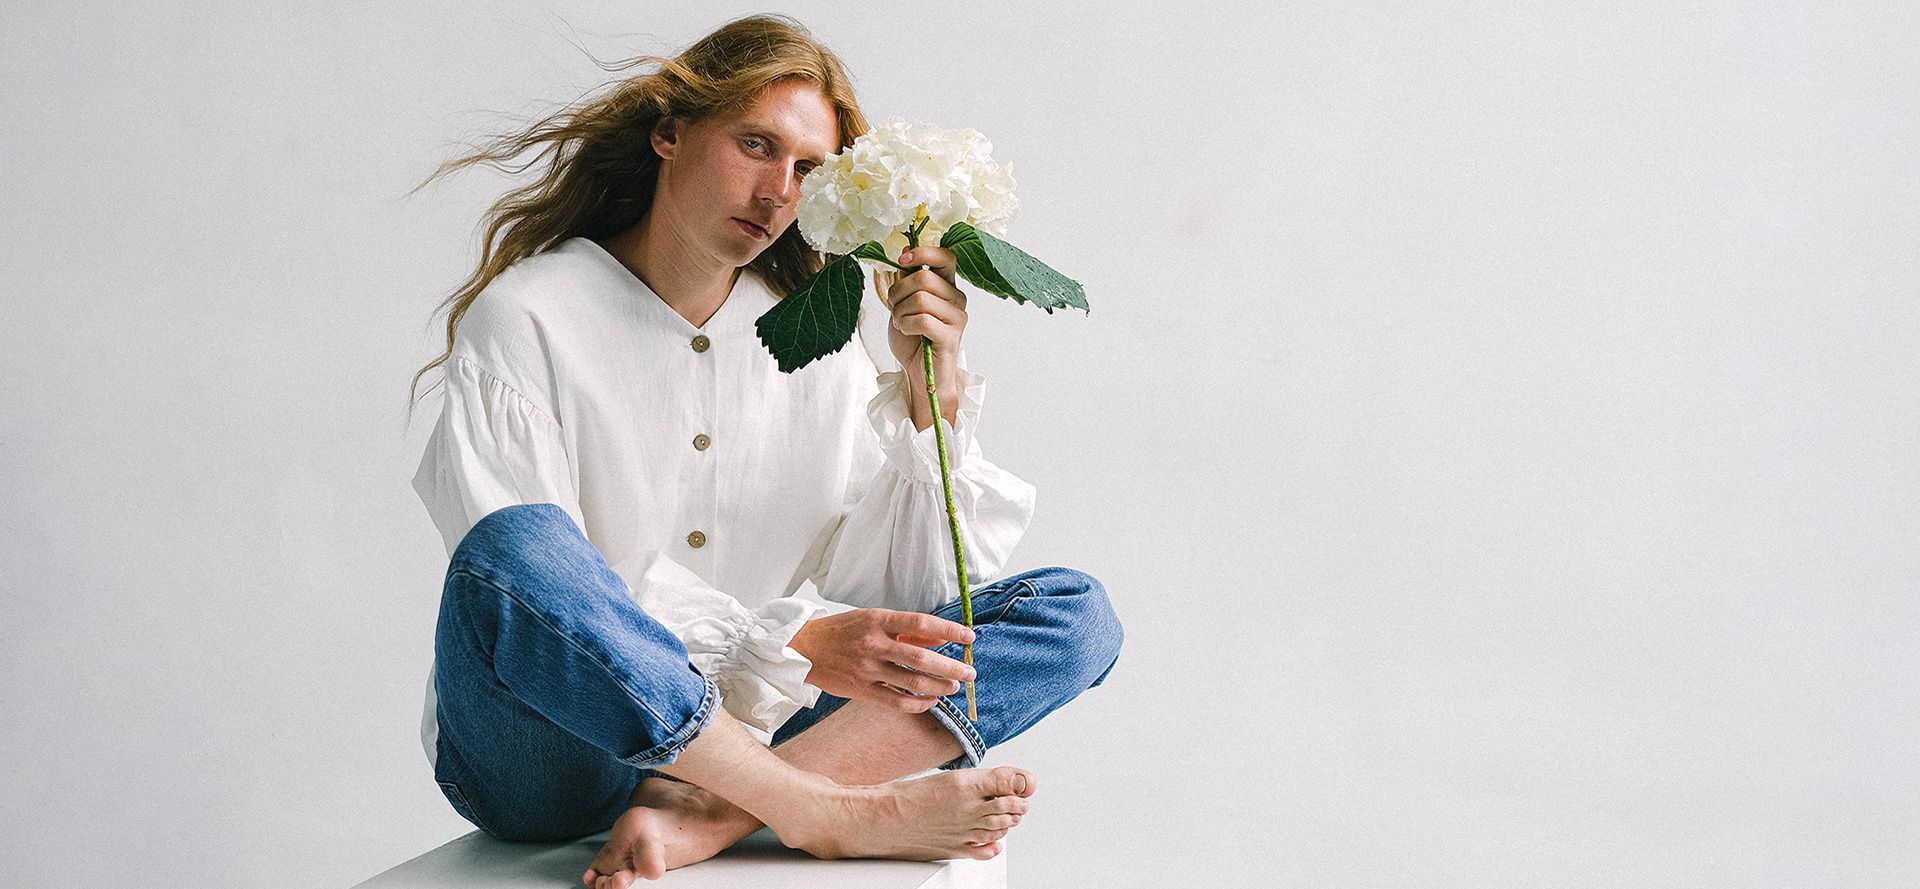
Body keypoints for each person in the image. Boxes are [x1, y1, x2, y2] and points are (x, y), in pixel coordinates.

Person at [404, 14, 1122, 886]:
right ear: (668, 132)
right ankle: (818, 810)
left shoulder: (809, 339)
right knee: (509, 547)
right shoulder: (531, 316)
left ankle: (726, 806)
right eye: (755, 144)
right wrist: (797, 640)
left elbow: (893, 592)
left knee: (1073, 612)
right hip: (557, 757)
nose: (779, 191)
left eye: (808, 169)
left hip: (768, 728)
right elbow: (529, 598)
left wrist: (932, 403)